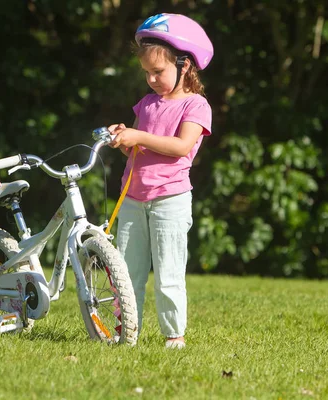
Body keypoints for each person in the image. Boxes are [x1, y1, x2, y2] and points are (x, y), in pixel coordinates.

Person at [107, 13, 213, 349]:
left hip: (169, 200)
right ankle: (127, 333)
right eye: (147, 73)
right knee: (125, 273)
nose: (152, 79)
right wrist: (124, 139)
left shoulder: (196, 105)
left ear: (184, 66)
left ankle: (173, 336)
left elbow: (181, 147)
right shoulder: (148, 104)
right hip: (133, 199)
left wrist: (138, 134)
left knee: (168, 274)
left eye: (159, 72)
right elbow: (140, 151)